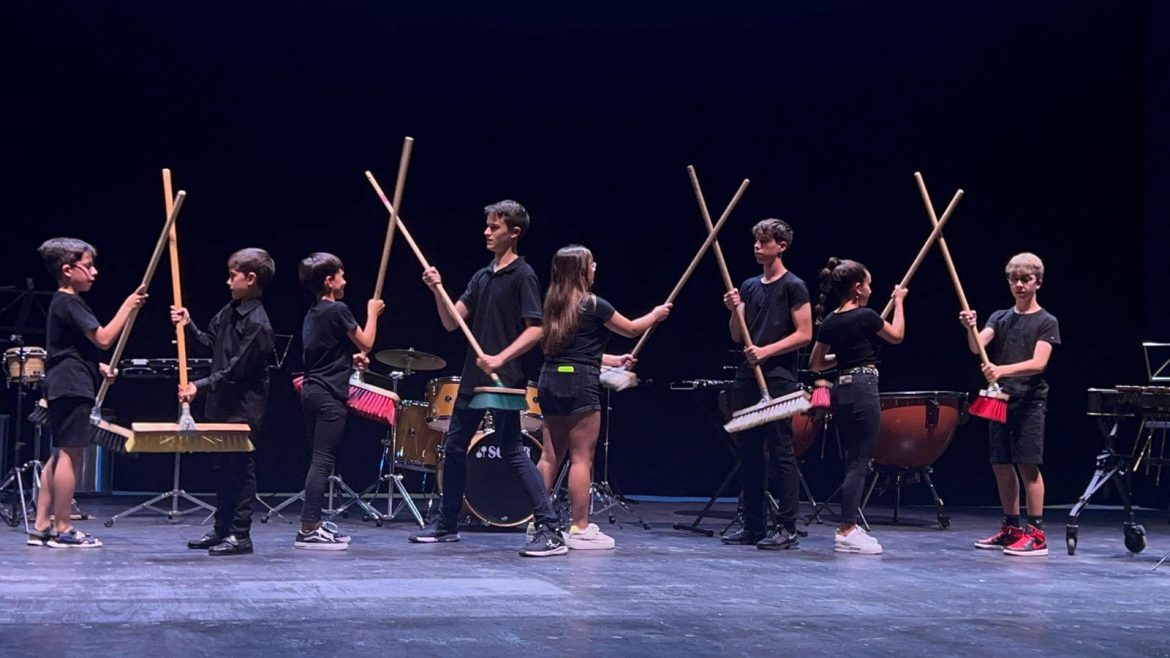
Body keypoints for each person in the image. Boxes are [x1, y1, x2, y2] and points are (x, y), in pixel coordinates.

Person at [408, 200, 565, 557]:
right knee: (454, 447)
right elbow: (451, 321)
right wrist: (437, 290)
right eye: (487, 226)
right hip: (472, 377)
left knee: (512, 450)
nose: (487, 232)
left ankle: (550, 528)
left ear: (514, 233)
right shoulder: (482, 276)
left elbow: (536, 329)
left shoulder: (523, 275)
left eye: (495, 227)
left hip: (502, 378)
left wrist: (500, 358)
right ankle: (447, 525)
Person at [534, 245, 670, 550]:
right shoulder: (592, 303)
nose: (595, 268)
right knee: (581, 457)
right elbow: (632, 329)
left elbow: (571, 351)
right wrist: (656, 315)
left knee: (549, 456)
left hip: (551, 377)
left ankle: (539, 523)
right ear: (580, 270)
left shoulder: (552, 303)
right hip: (579, 382)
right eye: (591, 264)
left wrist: (614, 360)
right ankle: (580, 528)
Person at [32, 237, 146, 548]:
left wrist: (96, 367)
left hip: (64, 381)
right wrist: (128, 306)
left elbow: (69, 349)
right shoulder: (69, 302)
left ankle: (41, 525)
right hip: (71, 385)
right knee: (70, 454)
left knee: (59, 453)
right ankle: (63, 528)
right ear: (67, 270)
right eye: (88, 266)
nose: (95, 272)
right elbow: (104, 338)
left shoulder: (61, 303)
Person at [171, 248, 275, 556]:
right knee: (223, 469)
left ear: (251, 278)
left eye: (233, 276)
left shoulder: (258, 324)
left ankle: (240, 535)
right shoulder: (229, 311)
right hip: (222, 405)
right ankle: (221, 529)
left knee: (241, 470)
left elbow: (234, 371)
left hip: (243, 409)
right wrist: (188, 324)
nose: (228, 282)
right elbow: (210, 343)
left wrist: (198, 386)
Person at [720, 219, 813, 550]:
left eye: (764, 242)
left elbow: (805, 334)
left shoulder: (794, 286)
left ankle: (786, 527)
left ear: (781, 246)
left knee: (781, 450)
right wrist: (734, 310)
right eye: (756, 241)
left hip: (778, 377)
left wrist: (766, 351)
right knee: (748, 453)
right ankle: (753, 525)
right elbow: (737, 334)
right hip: (747, 375)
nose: (757, 246)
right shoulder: (748, 286)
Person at [960, 252, 1060, 557]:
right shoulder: (1000, 317)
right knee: (1000, 464)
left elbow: (1039, 363)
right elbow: (977, 346)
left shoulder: (1046, 321)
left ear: (1038, 282)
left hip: (1029, 401)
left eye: (1026, 279)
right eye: (1014, 279)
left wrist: (1001, 370)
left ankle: (1037, 533)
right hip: (1000, 398)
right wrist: (970, 327)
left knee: (1028, 464)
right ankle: (1011, 527)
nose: (1019, 285)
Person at [809, 258, 906, 555]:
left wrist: (845, 355)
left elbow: (816, 363)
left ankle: (849, 525)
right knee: (859, 461)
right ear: (858, 288)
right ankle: (847, 529)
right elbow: (897, 336)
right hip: (863, 388)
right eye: (869, 284)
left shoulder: (830, 321)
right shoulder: (866, 316)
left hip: (842, 389)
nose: (871, 290)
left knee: (853, 460)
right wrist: (899, 301)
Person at [295, 252, 383, 550]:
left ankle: (314, 523)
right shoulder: (338, 309)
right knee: (323, 461)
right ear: (329, 281)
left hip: (312, 391)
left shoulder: (314, 313)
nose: (345, 281)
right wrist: (372, 312)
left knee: (318, 459)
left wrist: (348, 360)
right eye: (341, 276)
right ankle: (308, 528)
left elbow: (322, 353)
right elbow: (367, 342)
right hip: (328, 395)